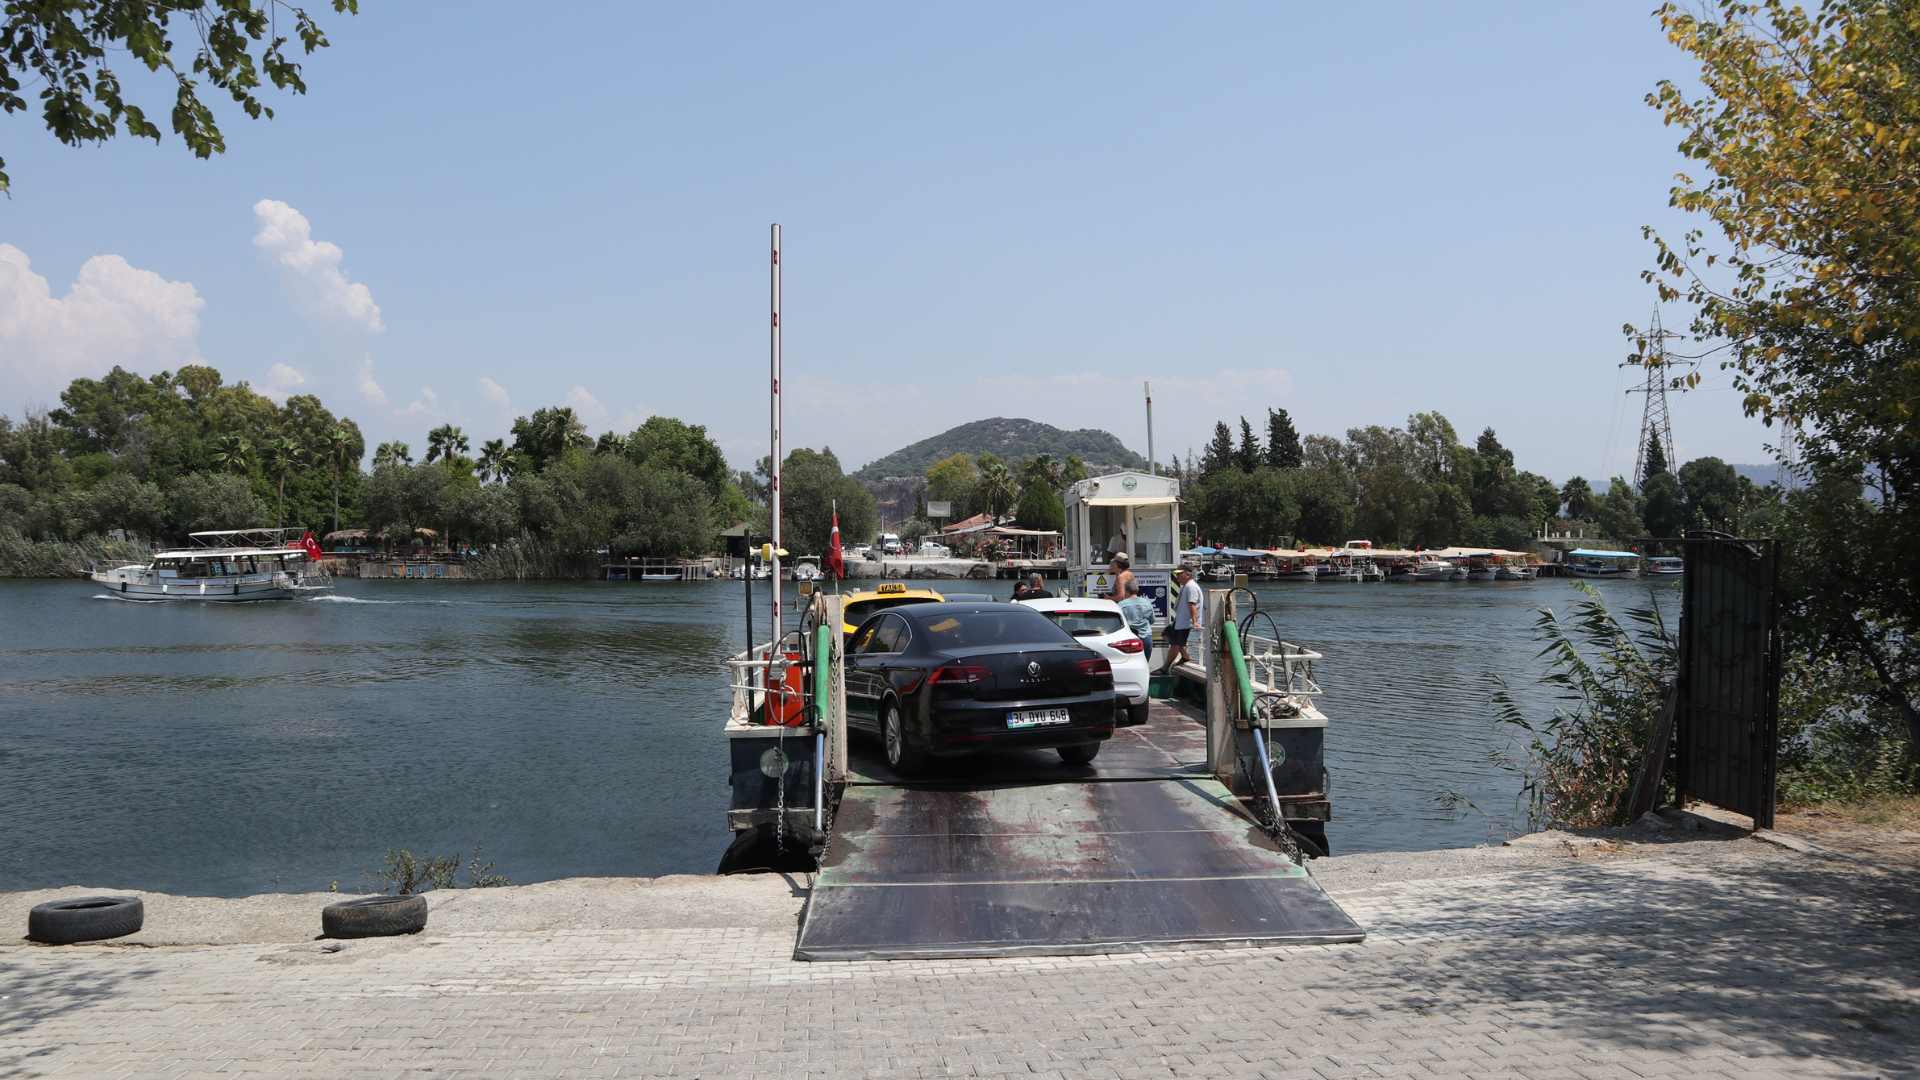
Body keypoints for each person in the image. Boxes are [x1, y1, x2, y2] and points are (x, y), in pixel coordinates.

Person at [1162, 567, 1204, 674]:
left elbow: (1192, 604)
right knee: (1167, 635)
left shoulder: (1191, 587)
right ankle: (1183, 657)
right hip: (1180, 621)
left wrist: (1195, 622)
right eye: (1177, 574)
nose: (1177, 577)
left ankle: (1173, 663)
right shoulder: (1186, 586)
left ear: (1188, 574)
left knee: (1177, 642)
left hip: (1185, 622)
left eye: (1180, 574)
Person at [1116, 579, 1154, 660]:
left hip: (1129, 639)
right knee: (1145, 663)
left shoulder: (1121, 605)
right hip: (1146, 637)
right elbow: (1152, 620)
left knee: (1131, 662)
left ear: (1126, 591)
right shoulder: (1146, 602)